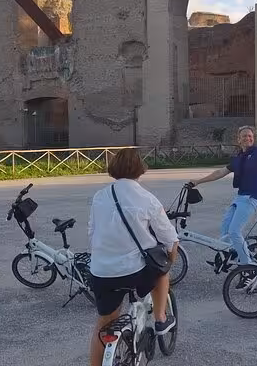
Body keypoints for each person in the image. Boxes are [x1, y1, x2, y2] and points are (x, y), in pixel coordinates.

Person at [88, 148, 179, 366]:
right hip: (133, 272)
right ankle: (160, 318)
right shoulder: (147, 198)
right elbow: (170, 238)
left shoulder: (100, 196)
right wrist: (170, 259)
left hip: (101, 271)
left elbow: (92, 232)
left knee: (103, 325)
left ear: (114, 169)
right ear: (141, 169)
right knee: (162, 269)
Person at [189, 125, 257, 266]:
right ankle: (233, 254)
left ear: (253, 139)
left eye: (250, 136)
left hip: (253, 198)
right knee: (225, 229)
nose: (248, 138)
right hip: (241, 197)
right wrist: (198, 181)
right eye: (244, 136)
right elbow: (219, 173)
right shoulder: (238, 158)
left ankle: (247, 265)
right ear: (239, 139)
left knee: (234, 232)